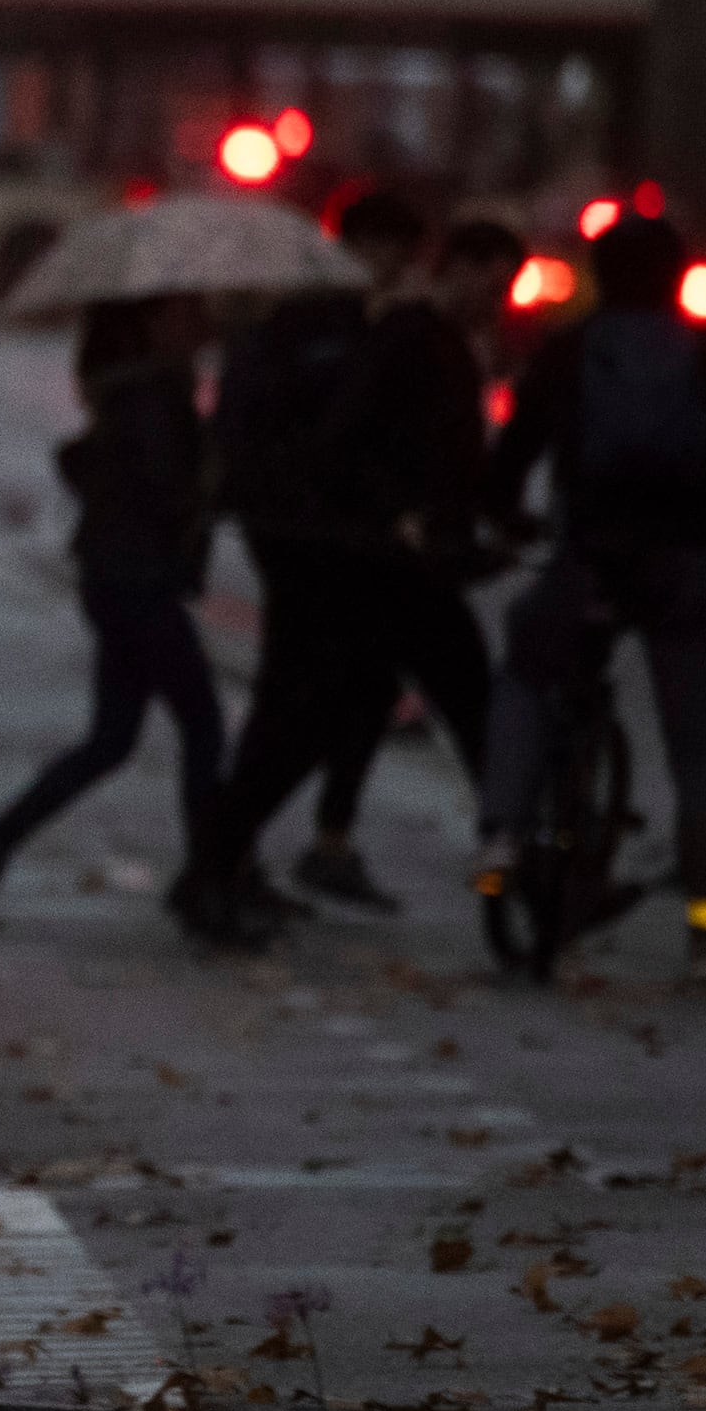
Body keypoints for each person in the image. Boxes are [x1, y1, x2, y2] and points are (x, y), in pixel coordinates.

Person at [179, 195, 497, 934]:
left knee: (313, 706)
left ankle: (230, 863)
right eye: (384, 249)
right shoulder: (323, 330)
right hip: (316, 542)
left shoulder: (345, 327)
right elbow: (331, 439)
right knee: (309, 709)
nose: (393, 267)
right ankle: (221, 865)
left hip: (325, 542)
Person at [476, 215, 706, 976]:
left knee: (531, 667)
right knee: (704, 745)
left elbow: (513, 455)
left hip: (593, 560)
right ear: (677, 275)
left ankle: (504, 835)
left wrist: (503, 517)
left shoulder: (571, 352)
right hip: (696, 566)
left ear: (598, 275)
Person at [0, 297, 221, 933]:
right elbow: (165, 490)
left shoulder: (130, 395)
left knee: (112, 739)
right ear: (153, 322)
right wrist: (210, 469)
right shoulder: (155, 398)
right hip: (141, 584)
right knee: (202, 728)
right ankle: (210, 879)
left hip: (117, 580)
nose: (200, 323)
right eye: (186, 314)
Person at [284, 209, 519, 909]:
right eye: (492, 283)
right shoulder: (415, 336)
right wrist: (399, 514)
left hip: (402, 554)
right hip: (401, 560)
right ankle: (503, 846)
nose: (497, 301)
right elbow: (348, 438)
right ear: (455, 269)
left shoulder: (439, 339)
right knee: (472, 696)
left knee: (365, 697)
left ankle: (329, 841)